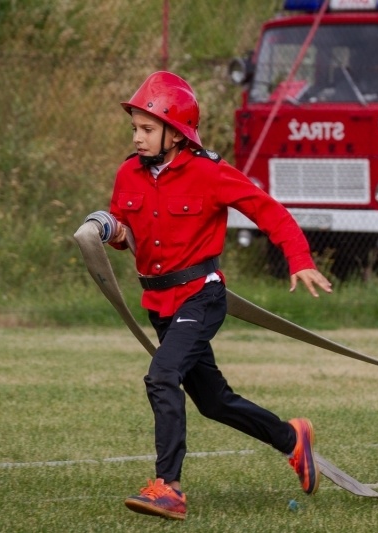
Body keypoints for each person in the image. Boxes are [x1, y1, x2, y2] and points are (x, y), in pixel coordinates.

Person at [105, 71, 333, 521]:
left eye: (147, 129)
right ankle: (292, 439)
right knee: (213, 401)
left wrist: (300, 259)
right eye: (135, 128)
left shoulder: (210, 173)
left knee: (161, 376)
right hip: (159, 304)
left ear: (176, 131)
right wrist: (107, 229)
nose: (138, 137)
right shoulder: (127, 173)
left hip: (201, 298)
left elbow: (269, 211)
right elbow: (123, 230)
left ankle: (167, 487)